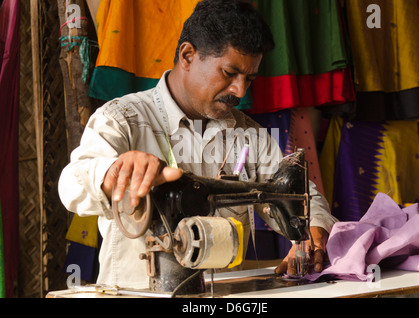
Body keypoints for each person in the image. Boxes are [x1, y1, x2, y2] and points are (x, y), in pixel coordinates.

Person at [58, 0, 337, 289]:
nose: (239, 91)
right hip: (134, 294)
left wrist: (313, 231)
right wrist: (112, 173)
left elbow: (302, 197)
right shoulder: (122, 119)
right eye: (229, 74)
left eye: (249, 79)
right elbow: (71, 185)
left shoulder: (248, 135)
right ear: (188, 55)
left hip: (223, 299)